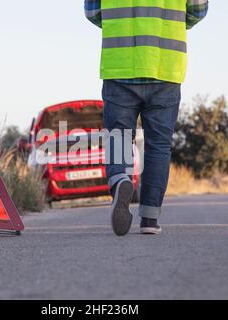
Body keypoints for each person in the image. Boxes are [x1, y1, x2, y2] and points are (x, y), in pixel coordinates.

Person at [84, 0, 209, 236]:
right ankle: (150, 218)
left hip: (119, 66)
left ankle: (120, 180)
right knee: (158, 146)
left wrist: (118, 27)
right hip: (165, 67)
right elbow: (199, 10)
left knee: (119, 137)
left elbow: (92, 11)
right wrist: (175, 26)